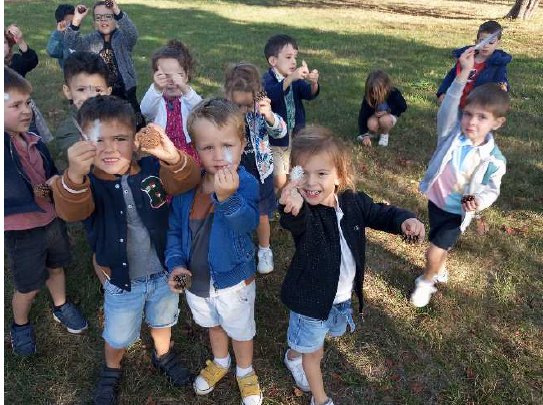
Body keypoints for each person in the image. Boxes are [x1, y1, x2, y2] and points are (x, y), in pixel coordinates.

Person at [51, 95, 201, 405]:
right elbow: (71, 212)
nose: (109, 148)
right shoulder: (85, 182)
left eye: (119, 139)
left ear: (135, 140)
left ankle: (163, 354)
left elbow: (187, 180)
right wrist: (75, 174)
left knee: (162, 320)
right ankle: (111, 368)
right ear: (83, 141)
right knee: (118, 335)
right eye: (97, 140)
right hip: (121, 280)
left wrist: (172, 157)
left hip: (162, 272)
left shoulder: (150, 167)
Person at [278, 126, 424, 405]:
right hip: (310, 302)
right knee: (315, 353)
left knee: (313, 342)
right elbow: (293, 222)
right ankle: (320, 399)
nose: (311, 182)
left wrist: (403, 219)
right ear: (294, 175)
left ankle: (293, 354)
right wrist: (291, 204)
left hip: (339, 299)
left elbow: (381, 213)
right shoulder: (304, 211)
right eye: (303, 172)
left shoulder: (352, 202)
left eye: (321, 174)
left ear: (339, 177)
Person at [165, 98, 263, 405]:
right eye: (208, 147)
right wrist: (176, 264)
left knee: (241, 329)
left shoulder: (245, 183)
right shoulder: (186, 189)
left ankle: (245, 371)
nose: (219, 156)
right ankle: (221, 362)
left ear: (242, 143)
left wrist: (228, 197)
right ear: (195, 148)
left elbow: (247, 223)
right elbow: (174, 233)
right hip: (197, 282)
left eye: (227, 145)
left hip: (234, 282)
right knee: (214, 324)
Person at [411, 47, 509, 308]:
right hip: (436, 202)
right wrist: (462, 74)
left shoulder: (493, 159)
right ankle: (440, 268)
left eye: (482, 117)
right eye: (467, 114)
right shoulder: (450, 134)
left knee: (434, 248)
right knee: (438, 244)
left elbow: (492, 188)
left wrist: (478, 200)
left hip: (457, 213)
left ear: (497, 123)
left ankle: (426, 282)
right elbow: (449, 105)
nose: (471, 122)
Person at [4, 66, 88, 356]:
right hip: (22, 230)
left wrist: (54, 184)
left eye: (28, 102)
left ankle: (61, 304)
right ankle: (20, 323)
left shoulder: (34, 141)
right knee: (28, 285)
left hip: (51, 220)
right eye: (15, 105)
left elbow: (45, 177)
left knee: (57, 265)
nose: (26, 110)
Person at [224, 62, 287, 274]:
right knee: (236, 211)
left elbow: (280, 132)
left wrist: (269, 115)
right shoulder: (225, 114)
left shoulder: (261, 111)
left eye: (246, 105)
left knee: (262, 215)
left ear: (257, 95)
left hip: (262, 173)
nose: (242, 110)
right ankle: (239, 246)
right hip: (236, 174)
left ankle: (264, 249)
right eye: (237, 105)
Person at [65, 1, 145, 129]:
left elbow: (132, 33)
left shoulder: (123, 39)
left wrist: (117, 10)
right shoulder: (89, 40)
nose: (103, 20)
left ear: (116, 20)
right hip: (101, 93)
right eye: (98, 17)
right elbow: (71, 43)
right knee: (106, 125)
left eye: (108, 16)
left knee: (134, 124)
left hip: (126, 91)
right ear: (94, 23)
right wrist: (77, 20)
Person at [263, 34, 320, 192]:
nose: (294, 61)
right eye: (288, 57)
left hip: (295, 133)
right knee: (279, 180)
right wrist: (289, 80)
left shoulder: (294, 79)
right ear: (273, 61)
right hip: (275, 140)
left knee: (296, 168)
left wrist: (314, 83)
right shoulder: (268, 79)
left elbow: (309, 94)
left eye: (295, 56)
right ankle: (279, 194)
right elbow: (271, 95)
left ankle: (291, 195)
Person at [141, 39, 202, 163]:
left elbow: (201, 109)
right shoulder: (156, 98)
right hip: (162, 149)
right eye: (165, 76)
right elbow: (145, 110)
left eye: (178, 75)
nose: (172, 81)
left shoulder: (188, 98)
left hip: (187, 149)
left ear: (186, 76)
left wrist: (185, 89)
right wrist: (157, 88)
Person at [436, 20, 511, 108]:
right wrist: (443, 92)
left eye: (491, 42)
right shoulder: (466, 58)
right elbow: (451, 76)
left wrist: (502, 86)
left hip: (477, 107)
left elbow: (501, 79)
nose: (486, 45)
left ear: (498, 43)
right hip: (456, 104)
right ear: (476, 42)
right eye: (482, 41)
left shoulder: (497, 63)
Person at [56, 51, 112, 164]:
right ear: (68, 92)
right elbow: (87, 159)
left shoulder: (117, 117)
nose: (90, 97)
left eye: (98, 90)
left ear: (108, 91)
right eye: (81, 90)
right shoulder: (67, 131)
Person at [357, 70, 407, 147]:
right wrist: (365, 135)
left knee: (384, 120)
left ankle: (384, 134)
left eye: (377, 93)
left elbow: (403, 107)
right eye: (371, 93)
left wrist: (388, 111)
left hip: (389, 116)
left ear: (386, 88)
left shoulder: (394, 93)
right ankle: (373, 134)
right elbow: (362, 116)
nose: (374, 96)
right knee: (371, 124)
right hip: (375, 116)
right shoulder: (368, 97)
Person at [46, 4, 76, 68]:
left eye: (74, 22)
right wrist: (58, 33)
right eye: (69, 23)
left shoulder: (78, 36)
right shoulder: (59, 37)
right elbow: (52, 51)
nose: (73, 25)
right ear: (59, 24)